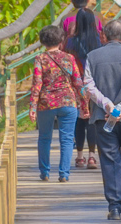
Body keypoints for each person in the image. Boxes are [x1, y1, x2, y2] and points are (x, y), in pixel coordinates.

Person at [83, 19, 121, 220]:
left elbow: (89, 86)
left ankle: (115, 207)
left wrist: (108, 105)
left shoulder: (92, 57)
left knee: (110, 160)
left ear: (104, 35)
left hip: (103, 117)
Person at [29, 25, 87, 183]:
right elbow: (78, 83)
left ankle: (45, 172)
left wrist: (33, 107)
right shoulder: (70, 58)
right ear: (62, 40)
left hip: (46, 103)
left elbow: (37, 84)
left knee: (44, 138)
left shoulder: (40, 59)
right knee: (67, 139)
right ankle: (64, 174)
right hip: (68, 101)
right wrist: (85, 105)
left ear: (42, 41)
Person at [65, 8, 102, 169]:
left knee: (79, 121)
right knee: (92, 120)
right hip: (94, 84)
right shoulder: (99, 40)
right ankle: (92, 157)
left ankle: (80, 157)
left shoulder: (71, 42)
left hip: (76, 85)